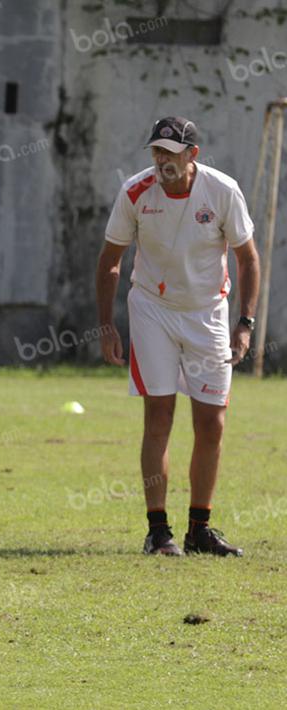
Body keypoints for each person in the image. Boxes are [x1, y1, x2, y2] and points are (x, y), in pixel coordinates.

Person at [96, 116, 260, 557]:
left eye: (171, 151)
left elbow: (247, 259)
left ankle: (199, 530)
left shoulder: (222, 191)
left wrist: (245, 323)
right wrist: (107, 325)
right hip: (152, 311)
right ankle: (158, 531)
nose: (162, 160)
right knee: (160, 415)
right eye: (156, 151)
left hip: (208, 314)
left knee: (212, 422)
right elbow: (110, 260)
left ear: (192, 155)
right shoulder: (135, 191)